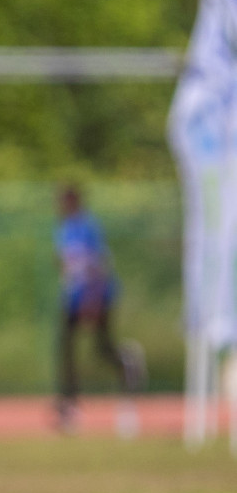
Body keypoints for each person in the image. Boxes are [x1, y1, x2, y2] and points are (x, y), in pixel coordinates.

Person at [55, 184, 144, 432]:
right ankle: (68, 404)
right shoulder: (64, 228)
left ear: (75, 201)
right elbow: (67, 262)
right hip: (73, 296)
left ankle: (127, 365)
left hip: (96, 296)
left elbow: (99, 264)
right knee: (66, 347)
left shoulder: (88, 227)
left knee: (101, 347)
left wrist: (91, 300)